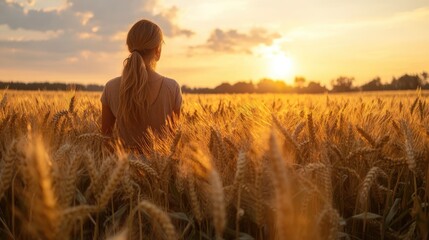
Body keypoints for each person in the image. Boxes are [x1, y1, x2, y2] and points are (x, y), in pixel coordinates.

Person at [100, 19, 182, 150]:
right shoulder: (172, 88)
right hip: (161, 169)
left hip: (122, 168)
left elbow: (106, 141)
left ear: (130, 47)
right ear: (158, 50)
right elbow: (174, 142)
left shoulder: (110, 87)